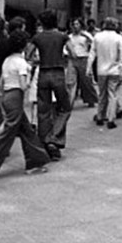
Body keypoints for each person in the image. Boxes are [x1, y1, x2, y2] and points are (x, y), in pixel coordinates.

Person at [0, 30, 51, 180]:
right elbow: (23, 86)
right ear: (24, 46)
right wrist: (29, 73)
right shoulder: (21, 63)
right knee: (6, 134)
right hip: (15, 97)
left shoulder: (7, 61)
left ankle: (36, 162)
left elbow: (1, 83)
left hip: (7, 95)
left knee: (27, 131)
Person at [31, 11, 71, 160]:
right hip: (58, 74)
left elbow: (29, 55)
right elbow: (72, 52)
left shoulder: (37, 37)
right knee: (65, 107)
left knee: (43, 110)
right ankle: (54, 137)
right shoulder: (62, 36)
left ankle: (44, 140)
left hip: (43, 73)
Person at [91, 17, 122, 129]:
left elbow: (92, 53)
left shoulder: (97, 36)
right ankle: (111, 119)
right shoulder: (118, 37)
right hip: (114, 70)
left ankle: (100, 116)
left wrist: (88, 68)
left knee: (101, 94)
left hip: (101, 70)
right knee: (112, 94)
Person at [65, 18, 98, 108]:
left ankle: (91, 99)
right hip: (72, 59)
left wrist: (87, 36)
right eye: (74, 24)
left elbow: (94, 42)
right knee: (70, 81)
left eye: (77, 24)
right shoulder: (69, 36)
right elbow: (65, 47)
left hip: (84, 58)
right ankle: (69, 102)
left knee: (86, 81)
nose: (75, 26)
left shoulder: (85, 35)